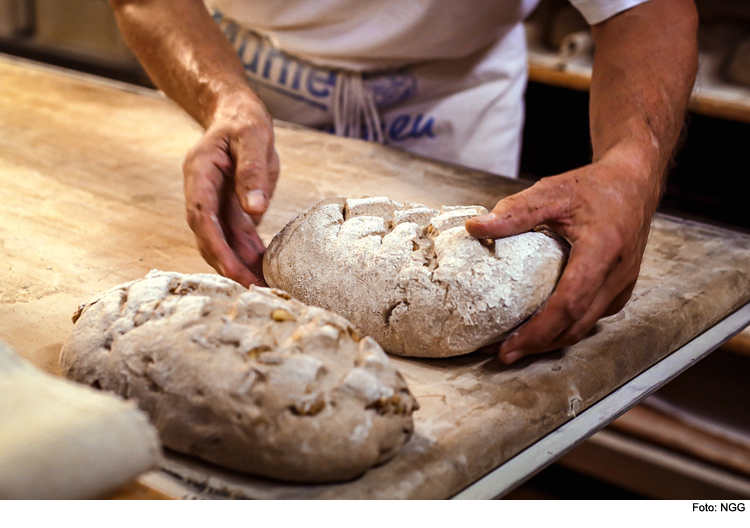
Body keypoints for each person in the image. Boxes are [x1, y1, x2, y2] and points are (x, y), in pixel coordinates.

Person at [109, 0, 698, 364]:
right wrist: (222, 98)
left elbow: (646, 7)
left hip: (457, 96)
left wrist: (631, 168)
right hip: (254, 79)